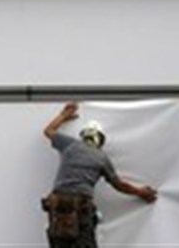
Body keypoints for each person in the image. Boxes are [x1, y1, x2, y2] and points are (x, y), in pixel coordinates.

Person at [42, 102, 157, 248]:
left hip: (59, 203)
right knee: (85, 243)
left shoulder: (70, 144)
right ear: (100, 140)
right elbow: (119, 185)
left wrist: (64, 115)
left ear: (84, 135)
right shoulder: (101, 158)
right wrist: (141, 192)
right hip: (81, 204)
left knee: (59, 242)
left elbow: (49, 131)